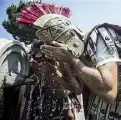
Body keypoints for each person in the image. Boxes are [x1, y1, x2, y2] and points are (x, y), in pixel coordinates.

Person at [17, 3, 83, 120]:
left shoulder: (64, 55)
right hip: (40, 96)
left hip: (64, 97)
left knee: (69, 116)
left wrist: (56, 76)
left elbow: (77, 89)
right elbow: (29, 78)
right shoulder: (34, 54)